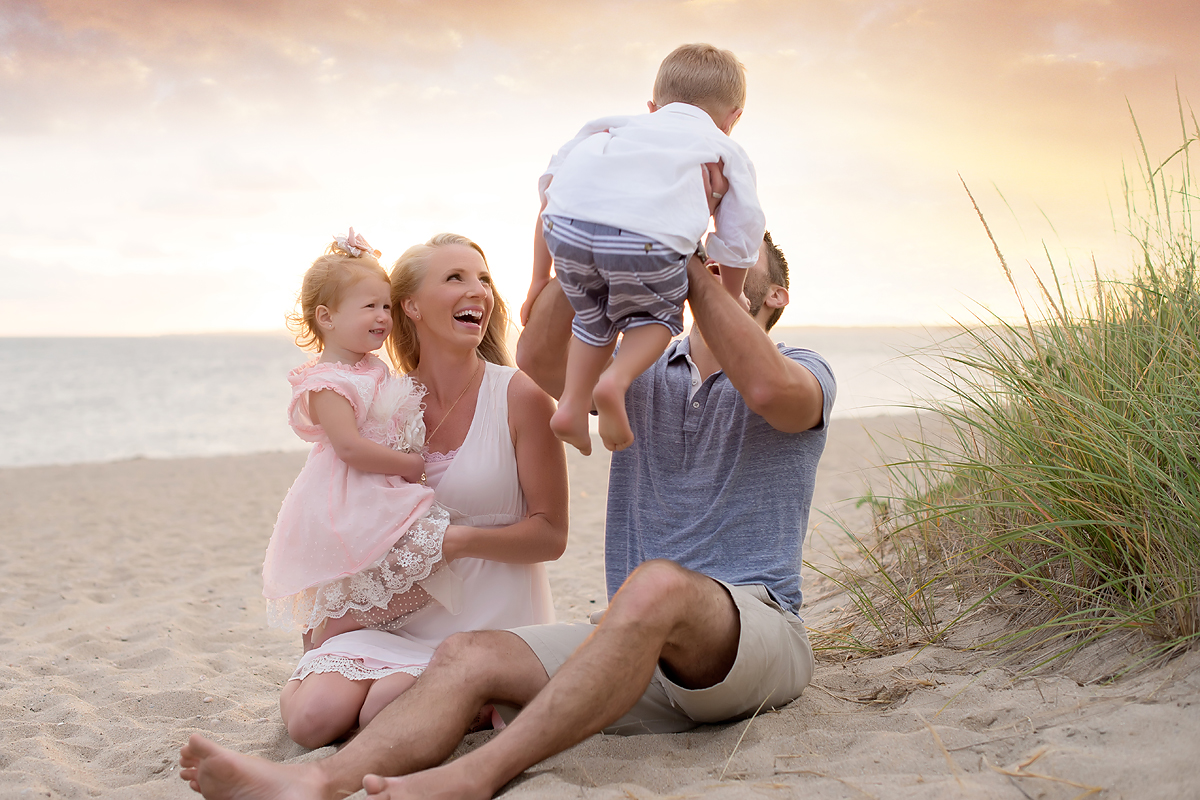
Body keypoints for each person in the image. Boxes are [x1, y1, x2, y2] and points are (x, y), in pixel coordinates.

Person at [178, 223, 836, 800]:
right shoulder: (636, 376)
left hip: (756, 630)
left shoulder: (807, 371)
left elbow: (769, 387)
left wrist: (695, 273)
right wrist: (573, 237)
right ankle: (316, 783)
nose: (715, 260)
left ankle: (477, 775)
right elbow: (541, 357)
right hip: (634, 648)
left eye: (733, 255)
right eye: (707, 252)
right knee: (464, 655)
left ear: (775, 293)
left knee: (655, 584)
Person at [268, 232, 569, 750]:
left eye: (484, 279)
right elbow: (349, 514)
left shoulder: (519, 395)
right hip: (397, 615)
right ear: (411, 306)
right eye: (455, 278)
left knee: (386, 707)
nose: (477, 290)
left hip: (487, 621)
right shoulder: (383, 398)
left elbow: (551, 536)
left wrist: (454, 540)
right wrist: (331, 618)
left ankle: (483, 692)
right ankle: (318, 669)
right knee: (313, 721)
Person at [522, 43, 766, 455]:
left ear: (653, 106)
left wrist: (537, 280)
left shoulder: (610, 126)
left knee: (594, 314)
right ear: (733, 118)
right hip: (647, 241)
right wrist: (731, 293)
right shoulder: (722, 147)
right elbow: (742, 232)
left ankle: (571, 405)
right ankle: (614, 381)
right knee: (654, 316)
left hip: (568, 230)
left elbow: (549, 194)